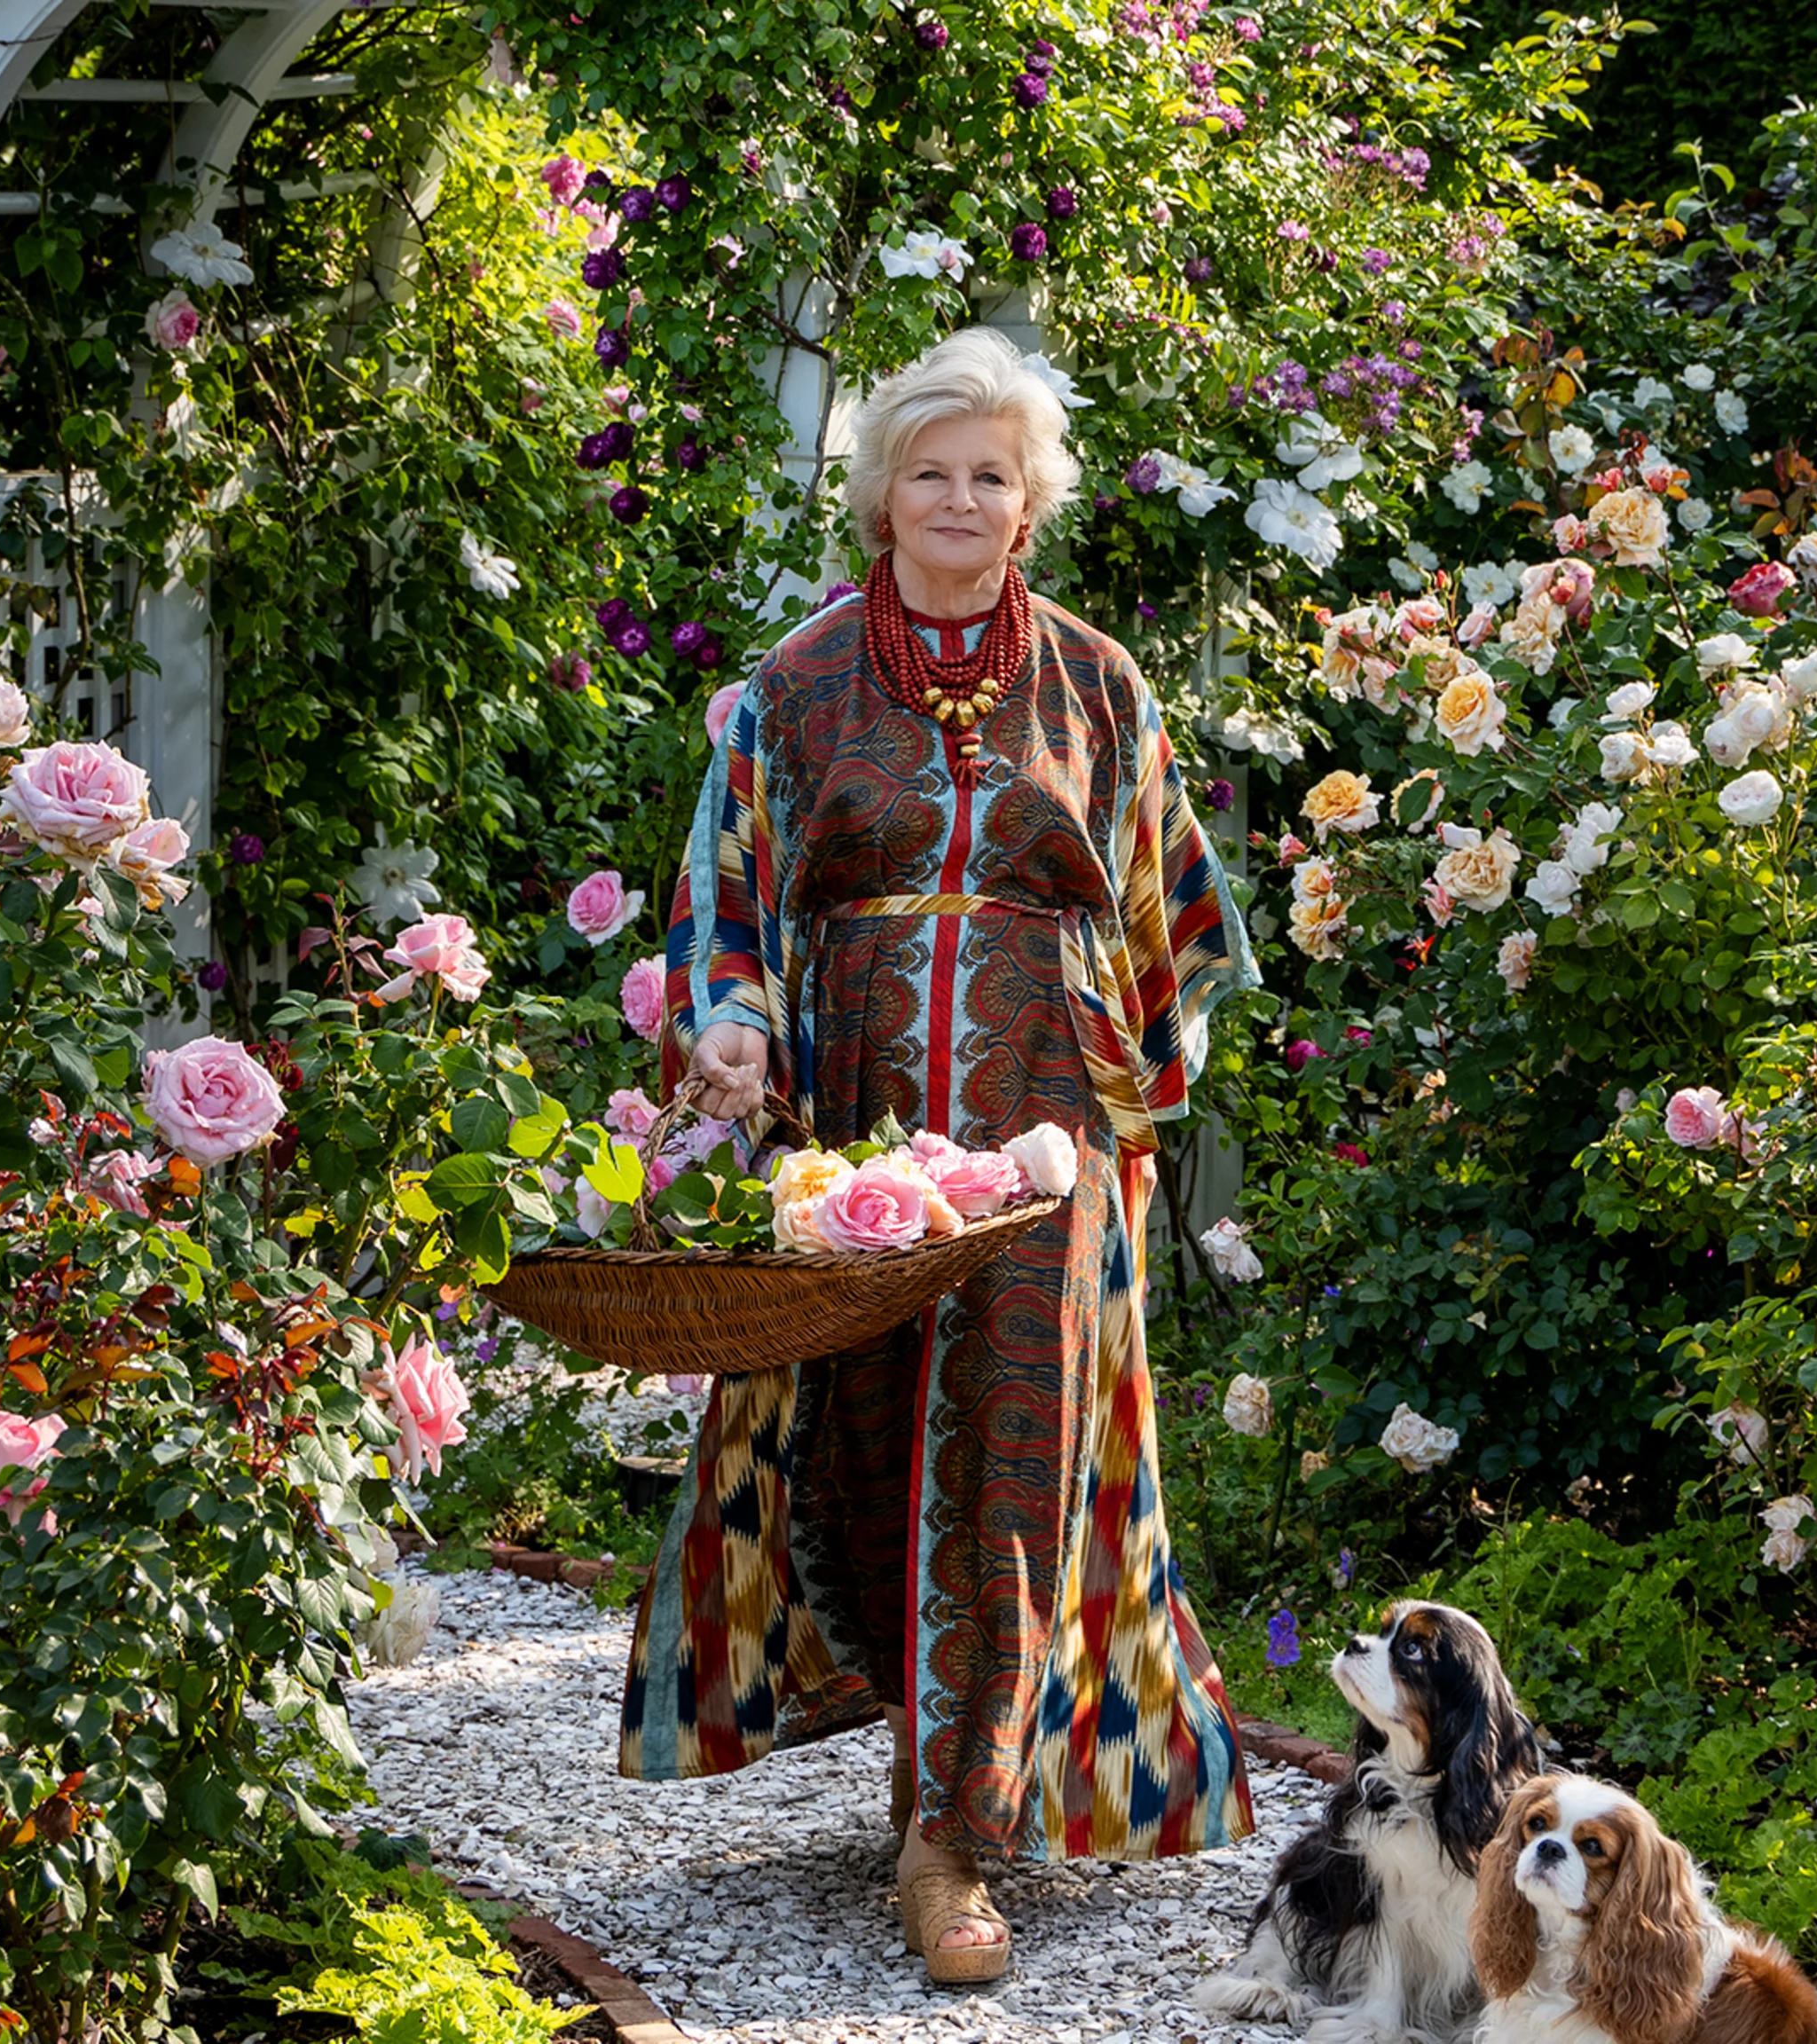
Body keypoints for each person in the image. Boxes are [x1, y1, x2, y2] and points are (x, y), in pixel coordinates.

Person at [617, 326, 1260, 1985]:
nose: (960, 497)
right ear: (881, 494)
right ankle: (928, 1739)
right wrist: (737, 1024)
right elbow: (723, 901)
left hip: (1052, 1144)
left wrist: (1122, 1082)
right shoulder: (795, 686)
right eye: (931, 469)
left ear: (1031, 502)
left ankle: (954, 1832)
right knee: (866, 1437)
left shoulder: (1101, 684)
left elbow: (1177, 921)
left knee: (1018, 1451)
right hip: (857, 1134)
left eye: (993, 473)